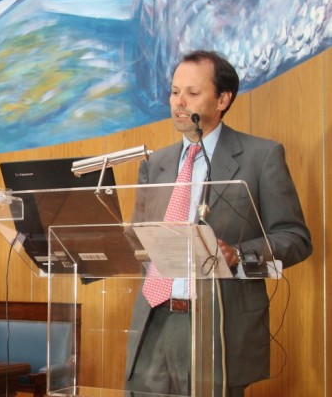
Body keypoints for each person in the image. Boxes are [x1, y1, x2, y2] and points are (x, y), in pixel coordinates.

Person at [124, 50, 312, 396]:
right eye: (174, 91)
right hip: (153, 320)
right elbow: (139, 242)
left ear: (222, 99)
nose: (179, 102)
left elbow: (295, 237)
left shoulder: (261, 157)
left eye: (192, 93)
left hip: (218, 324)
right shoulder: (156, 164)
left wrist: (238, 254)